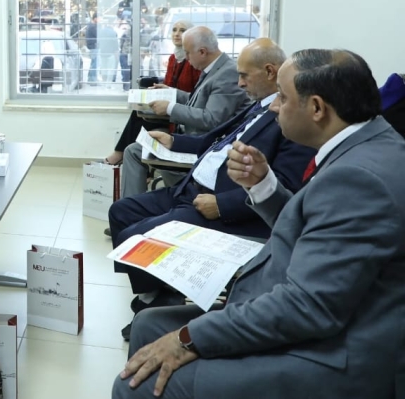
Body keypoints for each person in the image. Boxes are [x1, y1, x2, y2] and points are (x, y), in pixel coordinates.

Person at [113, 49, 405, 399]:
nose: (274, 106)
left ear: (316, 108)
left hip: (332, 356)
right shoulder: (365, 144)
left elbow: (307, 308)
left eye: (283, 97)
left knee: (135, 385)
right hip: (298, 305)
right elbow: (310, 226)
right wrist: (263, 185)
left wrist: (188, 338)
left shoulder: (358, 179)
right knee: (149, 323)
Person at [108, 39, 314, 339]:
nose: (239, 83)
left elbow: (283, 190)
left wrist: (222, 205)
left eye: (244, 76)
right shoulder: (260, 106)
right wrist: (174, 141)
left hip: (220, 207)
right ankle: (159, 292)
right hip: (191, 189)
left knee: (137, 236)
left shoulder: (294, 124)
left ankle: (157, 302)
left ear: (271, 72)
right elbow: (216, 141)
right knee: (121, 212)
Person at [119, 26, 249, 197]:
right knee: (135, 149)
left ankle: (137, 208)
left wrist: (169, 108)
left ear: (202, 52)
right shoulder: (214, 68)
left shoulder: (227, 73)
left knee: (134, 152)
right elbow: (200, 100)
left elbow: (211, 119)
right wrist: (172, 93)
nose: (186, 58)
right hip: (193, 137)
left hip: (204, 144)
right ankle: (142, 204)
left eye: (188, 53)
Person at [104, 20, 200, 166]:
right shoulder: (173, 58)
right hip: (168, 106)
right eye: (174, 30)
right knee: (139, 110)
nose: (177, 34)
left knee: (140, 117)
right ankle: (123, 156)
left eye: (182, 30)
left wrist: (170, 93)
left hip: (181, 111)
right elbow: (169, 84)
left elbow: (196, 94)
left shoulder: (194, 61)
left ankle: (119, 154)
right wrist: (159, 89)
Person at [85, 13, 99, 83]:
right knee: (94, 64)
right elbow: (99, 35)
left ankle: (90, 79)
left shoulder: (91, 25)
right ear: (95, 18)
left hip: (92, 46)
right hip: (94, 46)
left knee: (93, 63)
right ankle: (93, 80)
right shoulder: (92, 26)